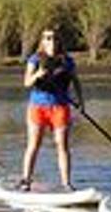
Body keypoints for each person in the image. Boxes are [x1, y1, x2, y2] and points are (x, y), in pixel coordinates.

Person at [17, 27, 79, 191]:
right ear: (42, 41)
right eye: (47, 38)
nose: (51, 41)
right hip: (38, 106)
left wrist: (80, 101)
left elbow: (75, 82)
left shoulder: (67, 61)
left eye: (54, 38)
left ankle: (66, 183)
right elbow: (27, 82)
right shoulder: (35, 59)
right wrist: (38, 74)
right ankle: (26, 180)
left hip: (60, 107)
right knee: (34, 144)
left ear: (59, 41)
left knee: (62, 145)